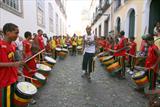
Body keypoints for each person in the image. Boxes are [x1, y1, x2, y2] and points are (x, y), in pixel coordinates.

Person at [0, 23, 24, 107]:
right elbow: (12, 63)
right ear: (7, 32)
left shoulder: (13, 45)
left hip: (13, 79)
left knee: (11, 103)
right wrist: (14, 64)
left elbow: (10, 61)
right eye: (16, 33)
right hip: (4, 82)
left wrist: (17, 71)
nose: (17, 35)